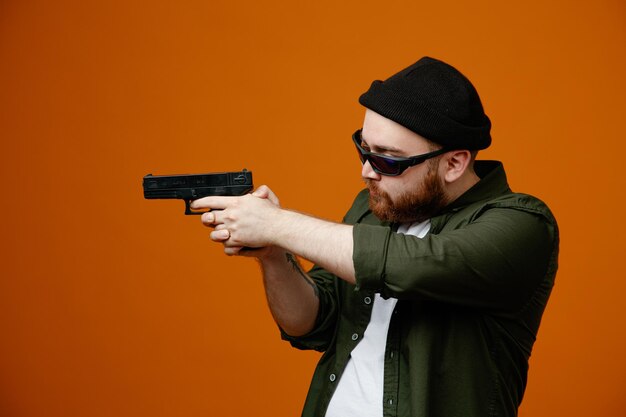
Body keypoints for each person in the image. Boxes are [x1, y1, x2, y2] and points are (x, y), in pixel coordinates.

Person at [190, 56, 559, 417]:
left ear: (454, 163)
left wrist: (277, 224)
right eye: (363, 149)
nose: (368, 171)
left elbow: (412, 266)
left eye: (388, 160)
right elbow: (311, 324)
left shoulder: (521, 224)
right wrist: (274, 253)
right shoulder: (375, 208)